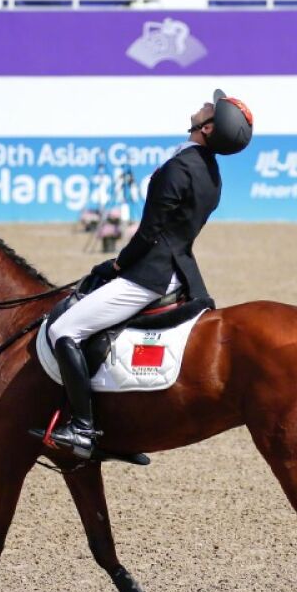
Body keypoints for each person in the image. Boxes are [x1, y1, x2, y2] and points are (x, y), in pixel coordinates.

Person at [40, 90, 254, 460]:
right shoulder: (211, 174)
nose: (204, 104)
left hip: (150, 274)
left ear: (207, 127)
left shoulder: (179, 168)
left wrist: (116, 266)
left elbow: (150, 232)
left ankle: (84, 429)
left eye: (210, 108)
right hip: (182, 271)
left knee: (64, 330)